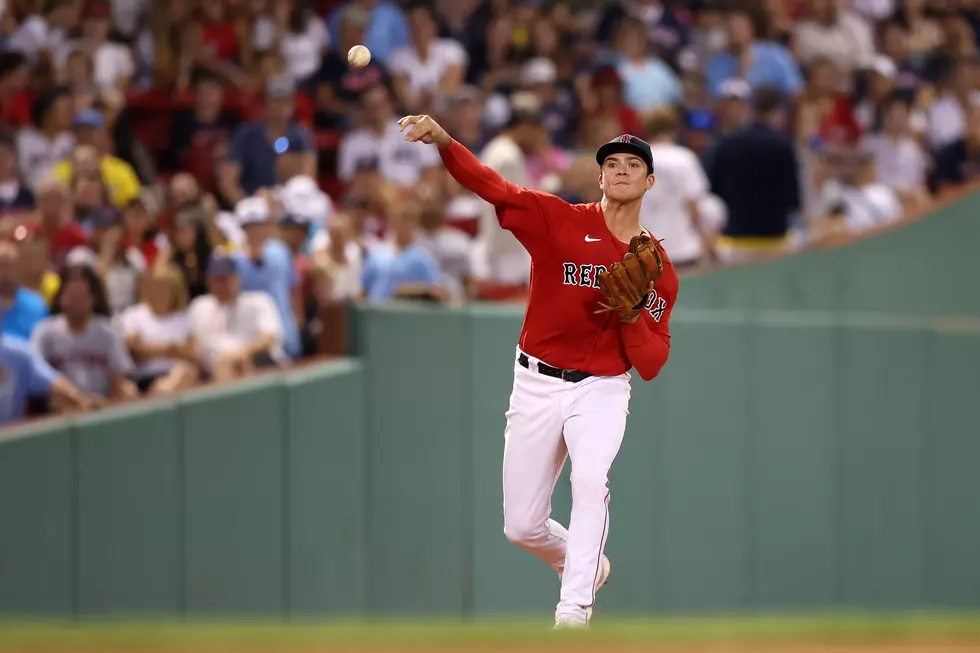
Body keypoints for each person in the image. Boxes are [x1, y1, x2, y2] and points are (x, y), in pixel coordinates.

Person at [398, 113, 678, 628]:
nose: (619, 170)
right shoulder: (559, 220)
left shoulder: (656, 266)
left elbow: (653, 362)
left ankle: (572, 612)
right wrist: (446, 143)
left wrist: (634, 316)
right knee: (521, 527)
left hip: (602, 387)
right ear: (599, 177)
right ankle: (584, 561)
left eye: (632, 164)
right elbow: (494, 187)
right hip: (536, 379)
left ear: (649, 181)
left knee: (591, 480)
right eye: (610, 163)